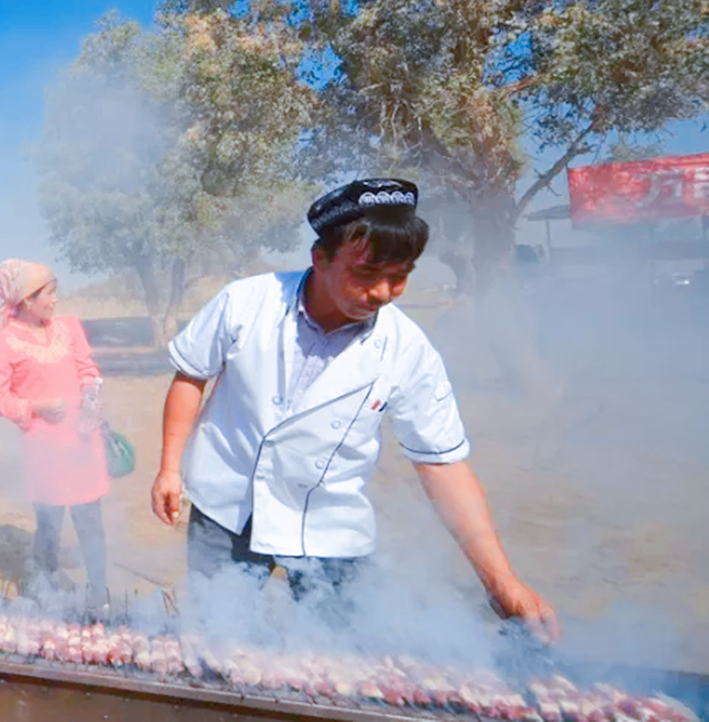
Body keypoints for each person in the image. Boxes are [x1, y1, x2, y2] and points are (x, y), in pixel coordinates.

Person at [148, 179, 561, 642]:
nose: (383, 292)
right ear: (320, 258)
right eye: (366, 274)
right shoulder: (246, 303)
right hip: (226, 505)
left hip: (330, 524)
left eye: (400, 275)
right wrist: (169, 468)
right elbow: (190, 376)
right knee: (219, 638)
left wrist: (500, 581)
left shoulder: (407, 350)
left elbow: (441, 461)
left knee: (342, 655)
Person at [0, 259, 110, 612]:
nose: (55, 300)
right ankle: (45, 588)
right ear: (27, 299)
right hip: (46, 450)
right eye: (49, 293)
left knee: (90, 521)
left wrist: (90, 399)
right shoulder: (4, 344)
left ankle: (100, 594)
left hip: (84, 442)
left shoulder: (69, 328)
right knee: (49, 525)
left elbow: (87, 369)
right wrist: (35, 406)